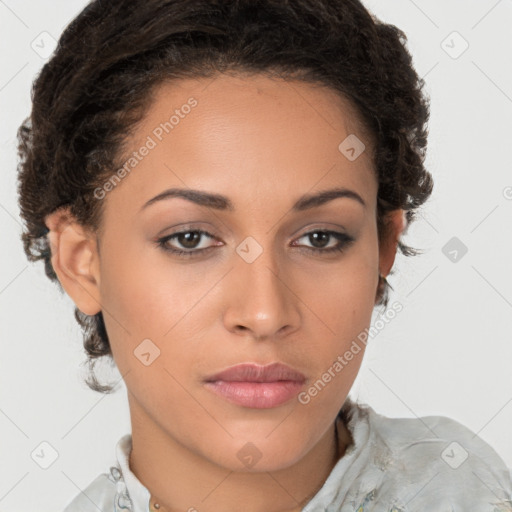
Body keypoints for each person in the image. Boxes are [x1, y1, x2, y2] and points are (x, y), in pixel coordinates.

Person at [16, 0, 512, 511]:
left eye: (321, 238)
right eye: (190, 239)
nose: (264, 313)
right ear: (81, 261)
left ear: (383, 248)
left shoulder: (471, 488)